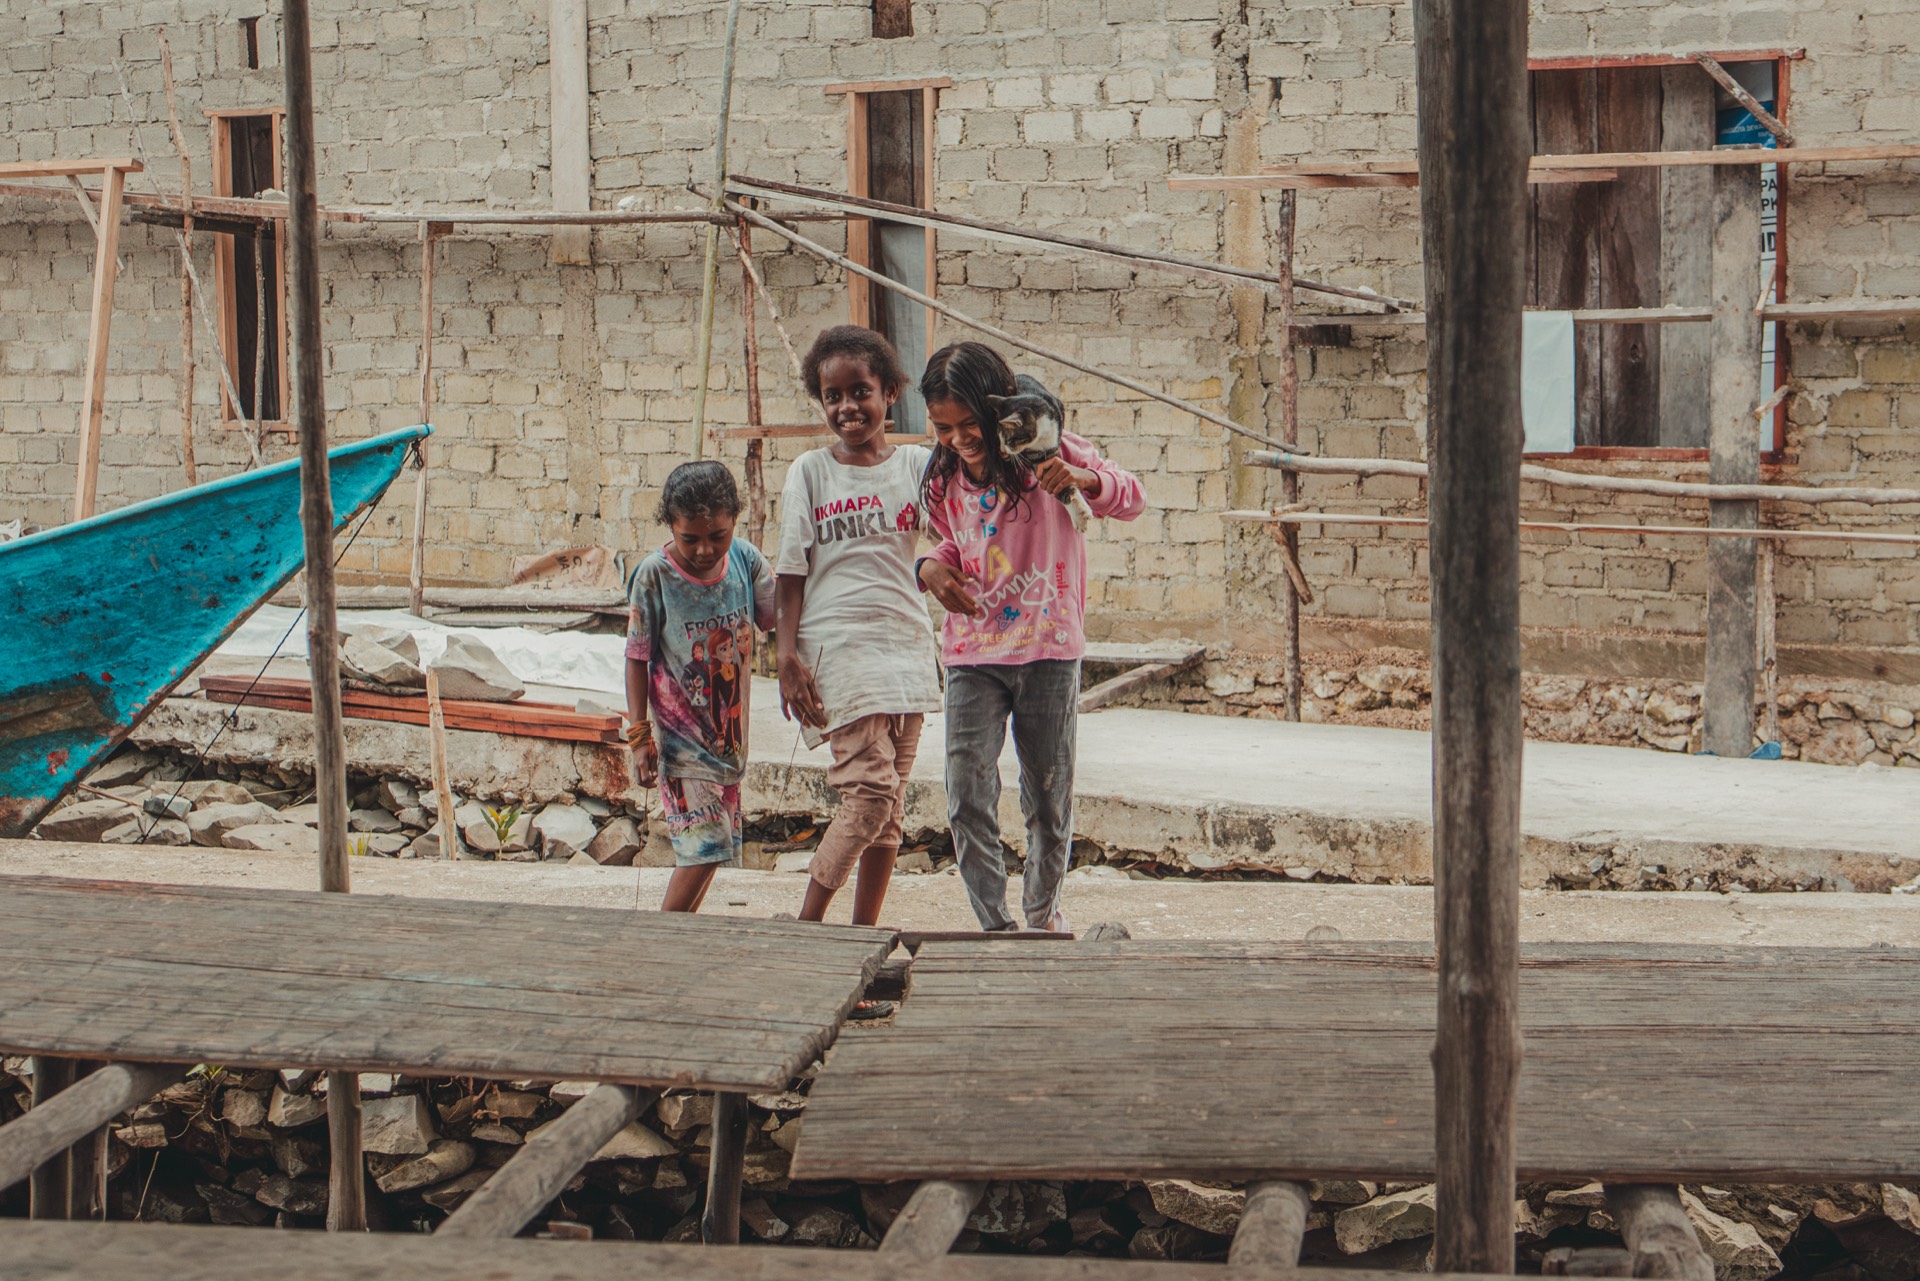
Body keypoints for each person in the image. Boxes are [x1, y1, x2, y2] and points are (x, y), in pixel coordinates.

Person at [915, 341, 1146, 933]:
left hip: (1048, 649)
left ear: (998, 411)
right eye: (944, 427)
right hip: (972, 653)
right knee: (968, 794)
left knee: (1047, 796)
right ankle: (996, 927)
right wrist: (930, 567)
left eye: (971, 424)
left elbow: (1131, 497)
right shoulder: (943, 479)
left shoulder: (1045, 444)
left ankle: (1042, 917)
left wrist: (1083, 476)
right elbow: (958, 542)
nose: (959, 439)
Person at [777, 325, 941, 928]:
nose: (847, 407)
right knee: (871, 793)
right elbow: (790, 571)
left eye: (860, 391)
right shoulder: (812, 472)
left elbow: (953, 540)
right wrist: (787, 655)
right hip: (838, 654)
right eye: (833, 396)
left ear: (891, 392)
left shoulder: (920, 467)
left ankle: (860, 936)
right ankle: (809, 924)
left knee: (889, 809)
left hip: (906, 650)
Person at [625, 460, 774, 912]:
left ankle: (680, 937)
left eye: (718, 535)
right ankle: (664, 938)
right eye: (691, 538)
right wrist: (638, 736)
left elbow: (778, 618)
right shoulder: (655, 575)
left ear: (735, 521)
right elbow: (636, 657)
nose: (706, 550)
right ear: (670, 525)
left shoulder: (746, 561)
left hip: (730, 745)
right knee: (704, 849)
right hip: (682, 748)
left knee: (712, 852)